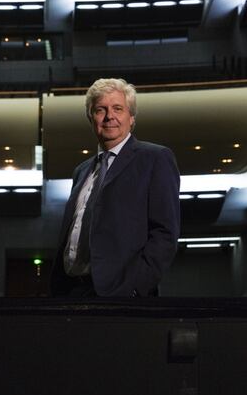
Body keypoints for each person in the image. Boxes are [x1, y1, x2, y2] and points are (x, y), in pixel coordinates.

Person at [51, 78, 181, 297]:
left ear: (131, 118)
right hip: (72, 291)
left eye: (117, 109)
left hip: (122, 296)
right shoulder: (81, 171)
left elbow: (165, 234)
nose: (109, 116)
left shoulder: (155, 158)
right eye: (100, 110)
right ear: (90, 118)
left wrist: (135, 288)